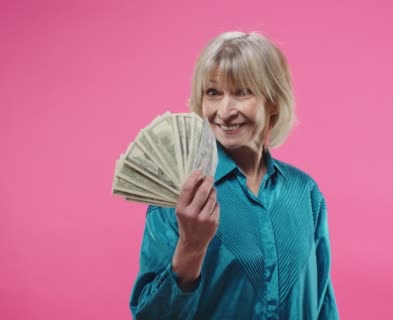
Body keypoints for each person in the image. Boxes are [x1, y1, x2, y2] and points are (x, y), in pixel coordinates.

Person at [129, 31, 339, 319]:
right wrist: (191, 248)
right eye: (213, 93)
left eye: (242, 92)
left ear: (273, 100)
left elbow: (323, 304)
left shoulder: (305, 193)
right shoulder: (178, 195)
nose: (225, 111)